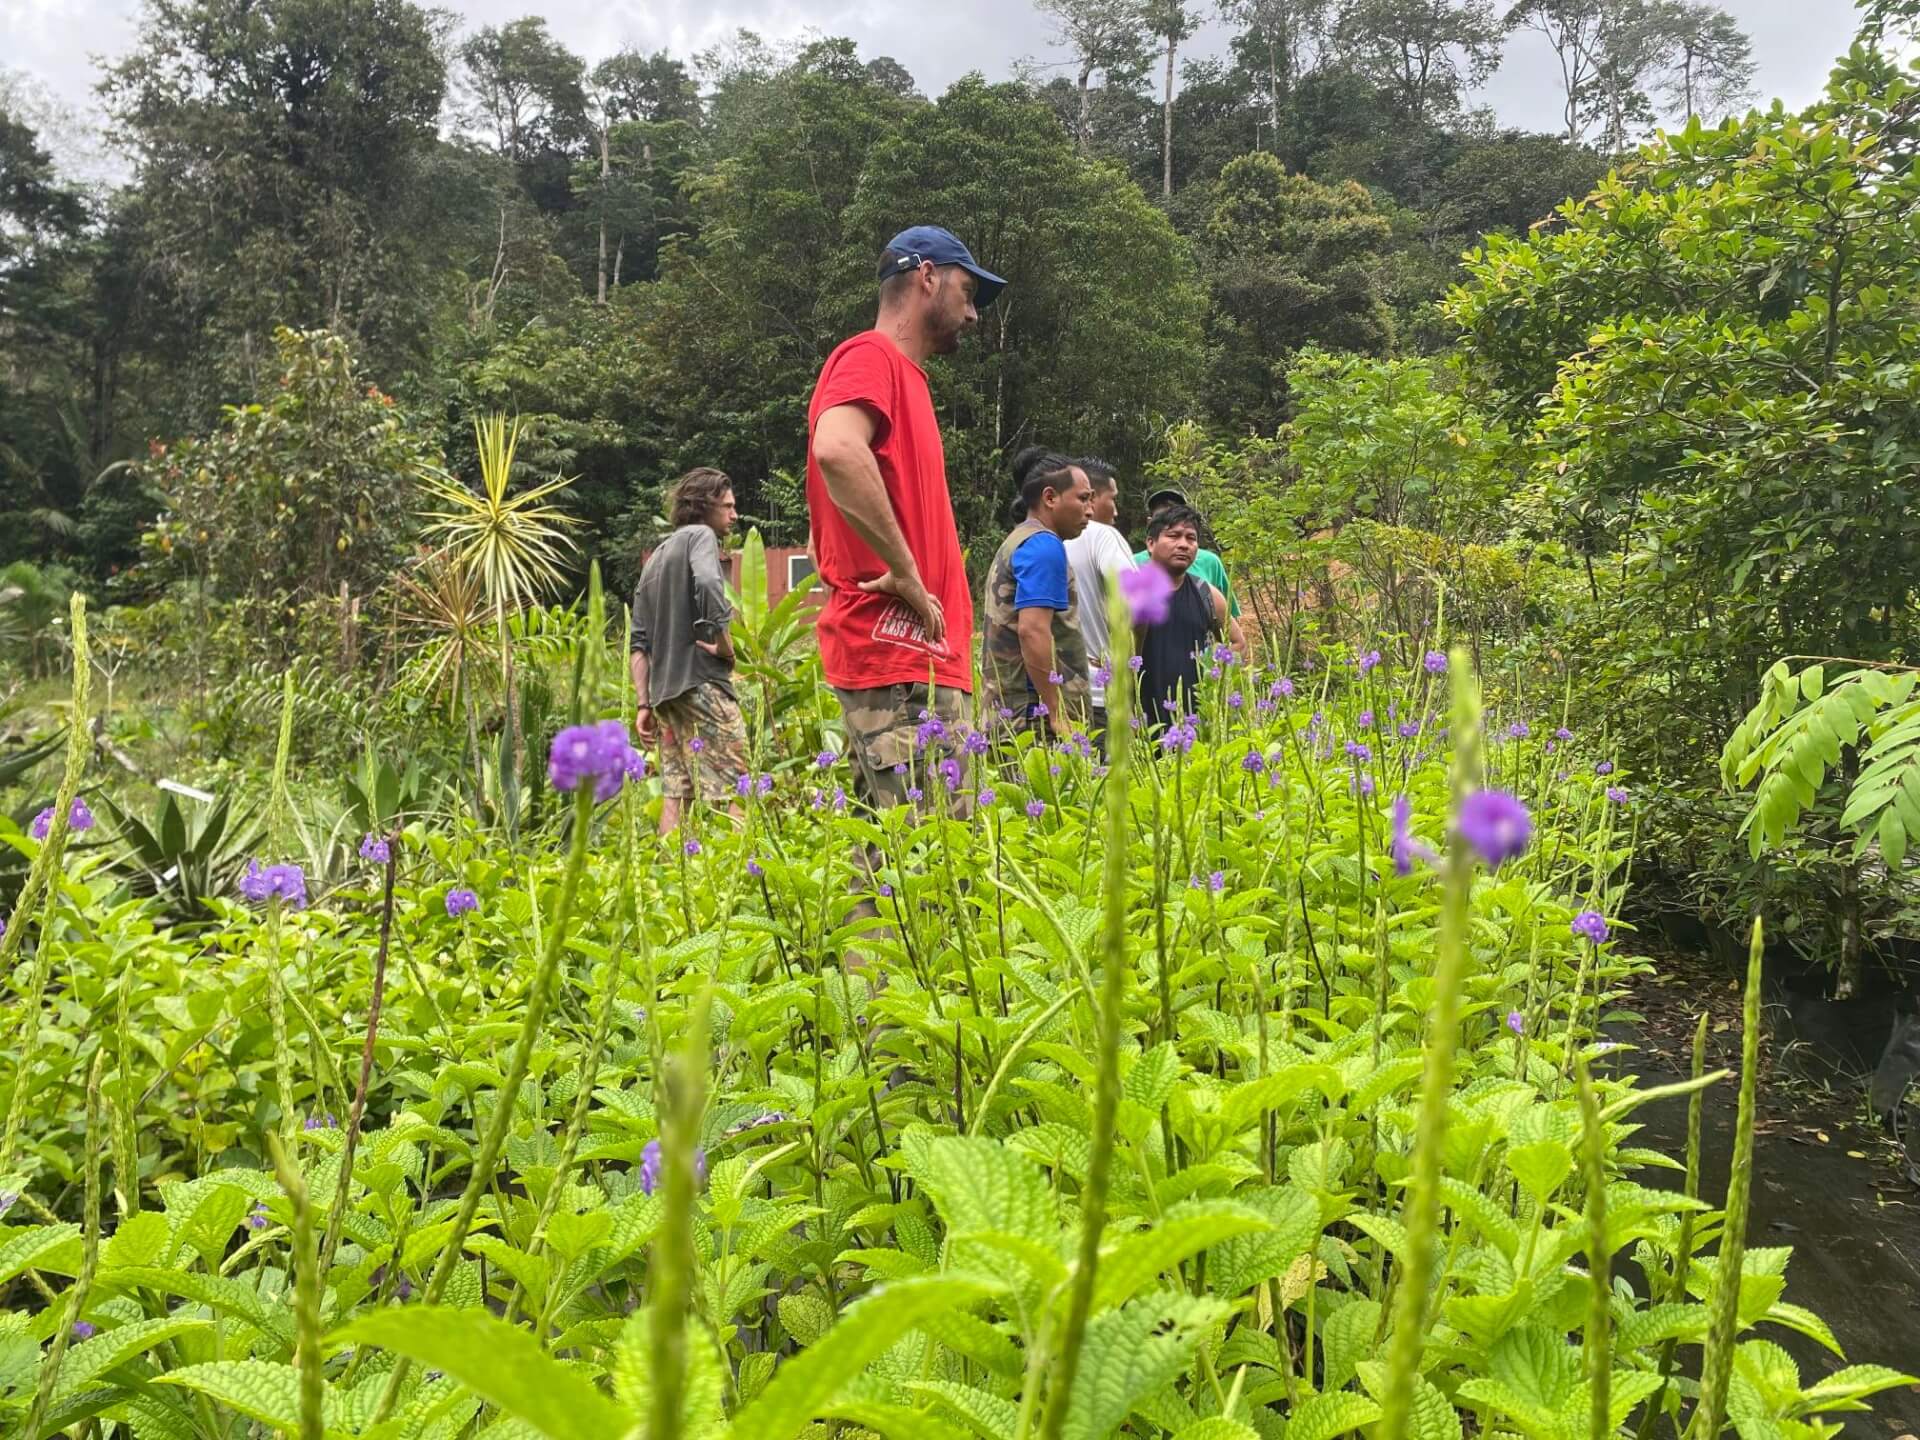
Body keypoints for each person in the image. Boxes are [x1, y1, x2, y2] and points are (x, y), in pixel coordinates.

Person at [806, 224, 1005, 808]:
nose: (972, 315)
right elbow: (837, 449)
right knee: (932, 867)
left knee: (889, 867)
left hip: (913, 662)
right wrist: (906, 571)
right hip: (899, 657)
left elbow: (824, 541)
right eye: (967, 293)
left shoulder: (905, 380)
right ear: (926, 277)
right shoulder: (871, 358)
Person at [630, 468, 747, 834]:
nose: (734, 514)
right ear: (704, 506)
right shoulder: (701, 536)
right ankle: (745, 875)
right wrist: (724, 644)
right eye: (727, 506)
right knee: (738, 781)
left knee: (677, 790)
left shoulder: (656, 560)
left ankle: (670, 878)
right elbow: (711, 582)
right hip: (701, 682)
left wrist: (644, 704)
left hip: (667, 697)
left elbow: (638, 643)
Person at [981, 449, 1094, 737]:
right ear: (1050, 498)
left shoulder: (1019, 539)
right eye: (1083, 498)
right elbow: (1032, 630)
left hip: (1010, 711)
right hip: (1033, 718)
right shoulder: (1044, 547)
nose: (1090, 510)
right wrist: (1055, 713)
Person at [1136, 504, 1242, 725]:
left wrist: (1212, 670)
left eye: (1191, 538)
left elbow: (1237, 642)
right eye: (1173, 536)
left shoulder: (1207, 595)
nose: (1183, 544)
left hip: (1196, 723)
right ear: (1150, 543)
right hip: (1142, 722)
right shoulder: (1130, 593)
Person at [1063, 456, 1137, 738]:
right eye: (1112, 499)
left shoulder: (1039, 538)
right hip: (1099, 693)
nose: (1115, 511)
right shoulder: (1103, 535)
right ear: (1091, 497)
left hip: (1054, 694)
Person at [1135, 487, 1241, 622]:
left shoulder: (1210, 562)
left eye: (1176, 513)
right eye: (1162, 516)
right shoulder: (1132, 564)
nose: (1182, 544)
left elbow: (1230, 621)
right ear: (1150, 523)